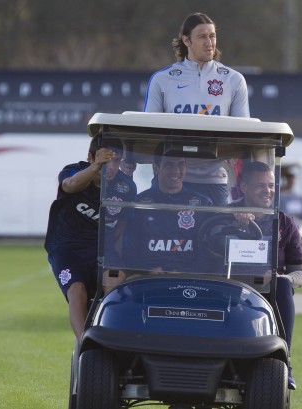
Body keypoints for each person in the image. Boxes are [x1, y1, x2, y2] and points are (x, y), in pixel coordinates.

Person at [143, 12, 250, 205]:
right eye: (202, 37)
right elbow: (149, 134)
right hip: (171, 178)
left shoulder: (234, 80)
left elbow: (242, 137)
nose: (209, 42)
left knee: (214, 234)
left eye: (212, 36)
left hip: (214, 180)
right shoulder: (162, 79)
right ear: (186, 40)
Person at [44, 137, 136, 340]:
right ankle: (85, 344)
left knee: (114, 282)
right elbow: (69, 186)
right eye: (106, 161)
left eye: (116, 161)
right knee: (77, 291)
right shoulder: (73, 171)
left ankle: (113, 338)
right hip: (67, 248)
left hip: (102, 248)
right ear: (90, 157)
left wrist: (116, 255)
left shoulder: (126, 187)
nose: (111, 167)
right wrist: (96, 167)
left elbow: (122, 224)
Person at [234, 161, 302, 390]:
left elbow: (300, 273)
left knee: (284, 287)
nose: (268, 191)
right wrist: (235, 226)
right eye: (260, 186)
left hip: (268, 291)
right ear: (243, 187)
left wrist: (281, 278)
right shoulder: (227, 214)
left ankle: (285, 361)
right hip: (231, 287)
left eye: (271, 185)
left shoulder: (284, 222)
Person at [125, 143, 213, 272]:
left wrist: (186, 272)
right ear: (156, 168)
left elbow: (208, 251)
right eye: (169, 164)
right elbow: (129, 249)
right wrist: (145, 270)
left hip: (191, 279)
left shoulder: (203, 204)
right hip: (146, 278)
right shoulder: (139, 203)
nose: (176, 171)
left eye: (181, 164)